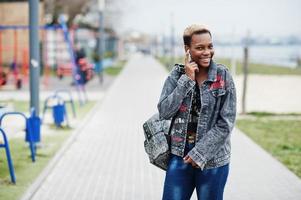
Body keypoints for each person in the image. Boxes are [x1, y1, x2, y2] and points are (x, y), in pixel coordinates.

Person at [158, 24, 237, 200]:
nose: (207, 52)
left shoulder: (223, 76)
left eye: (210, 46)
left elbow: (226, 123)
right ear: (187, 49)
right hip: (180, 155)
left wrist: (200, 153)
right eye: (200, 47)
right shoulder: (176, 76)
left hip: (214, 159)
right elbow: (164, 112)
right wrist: (186, 80)